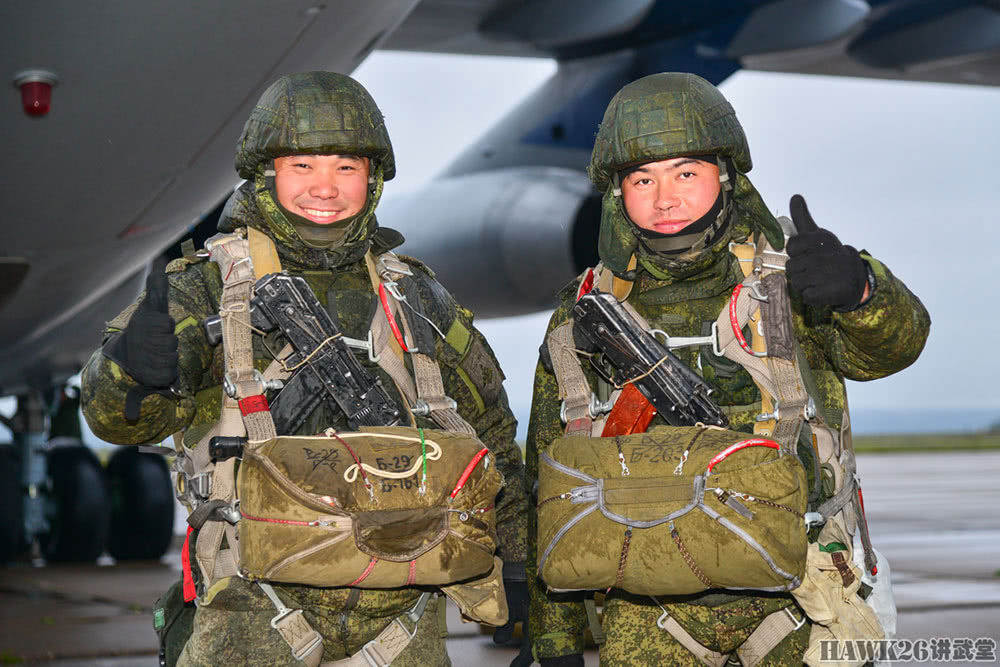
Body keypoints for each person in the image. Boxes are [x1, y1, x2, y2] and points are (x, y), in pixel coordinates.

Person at [80, 71, 528, 667]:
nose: (326, 187)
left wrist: (521, 568)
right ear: (266, 176)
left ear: (372, 180)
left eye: (346, 167)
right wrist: (129, 372)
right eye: (303, 167)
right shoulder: (204, 289)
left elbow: (491, 435)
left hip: (404, 608)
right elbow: (120, 423)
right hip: (249, 606)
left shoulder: (415, 295)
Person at [524, 72, 930, 666]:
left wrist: (861, 290)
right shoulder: (587, 312)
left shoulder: (796, 277)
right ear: (617, 193)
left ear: (726, 175)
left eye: (686, 173)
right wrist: (553, 639)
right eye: (642, 179)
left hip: (802, 594)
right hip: (648, 614)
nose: (664, 198)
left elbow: (892, 351)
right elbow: (554, 477)